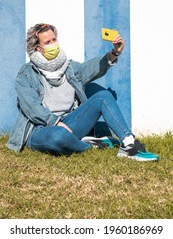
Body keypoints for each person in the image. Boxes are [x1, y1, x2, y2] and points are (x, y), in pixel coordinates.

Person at [7, 23, 159, 161]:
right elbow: (31, 107)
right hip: (41, 129)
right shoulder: (26, 74)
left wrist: (114, 53)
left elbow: (91, 68)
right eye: (48, 42)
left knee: (103, 97)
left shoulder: (69, 67)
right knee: (57, 137)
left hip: (69, 122)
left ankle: (129, 144)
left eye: (54, 39)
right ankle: (88, 145)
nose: (53, 44)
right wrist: (55, 122)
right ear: (38, 48)